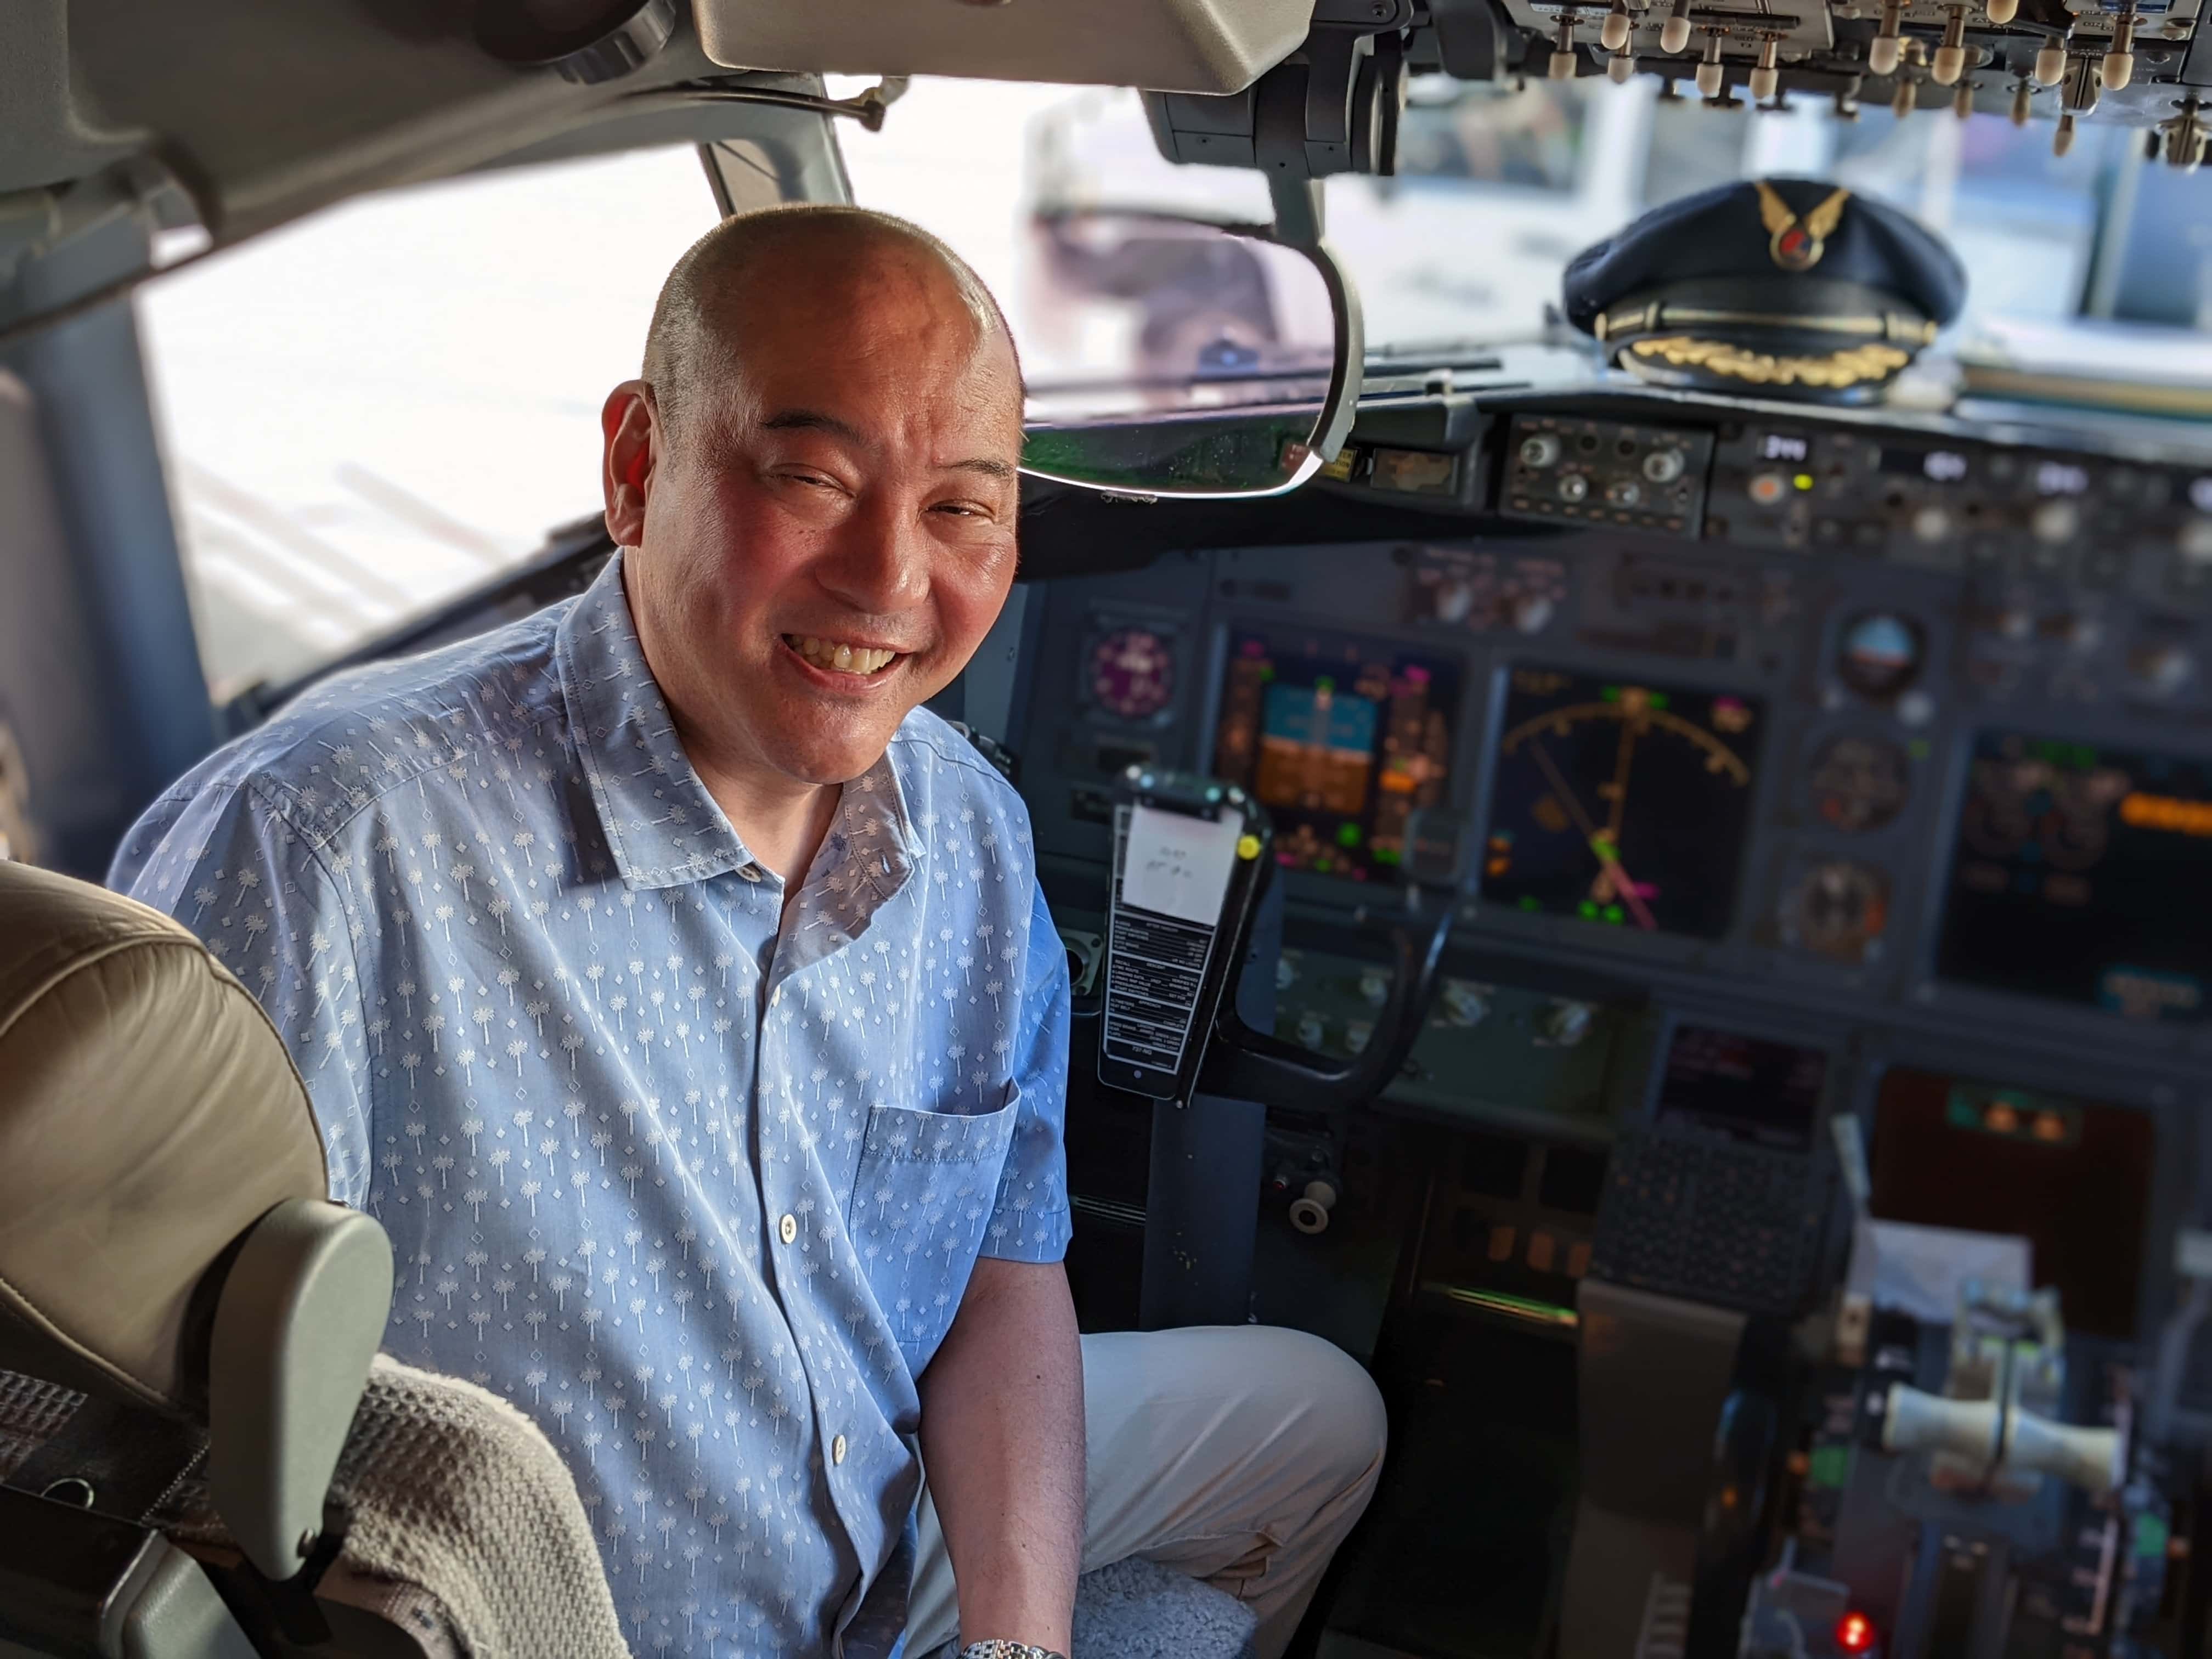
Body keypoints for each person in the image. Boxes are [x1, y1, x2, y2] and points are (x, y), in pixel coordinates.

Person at [111, 204, 1385, 1659]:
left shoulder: (968, 831)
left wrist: (1018, 1648)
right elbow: (127, 1441)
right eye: (813, 478)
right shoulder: (328, 846)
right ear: (639, 467)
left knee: (1316, 1422)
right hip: (577, 1614)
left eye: (964, 505)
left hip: (869, 1525)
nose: (891, 579)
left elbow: (1001, 1264)